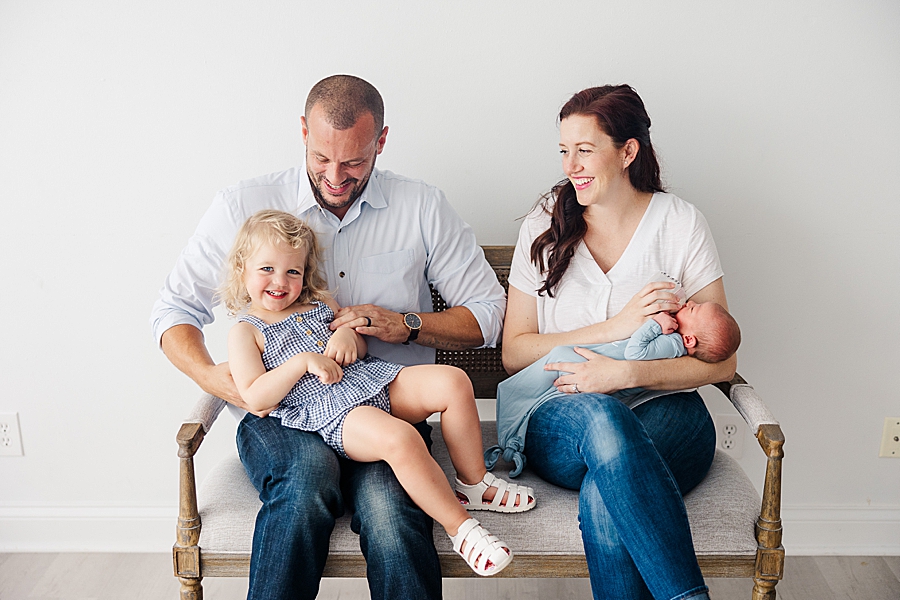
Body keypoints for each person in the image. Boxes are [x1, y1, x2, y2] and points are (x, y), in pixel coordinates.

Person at [150, 75, 507, 599]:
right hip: (282, 413)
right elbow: (174, 309)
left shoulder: (422, 207)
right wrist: (222, 381)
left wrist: (404, 322)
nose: (335, 176)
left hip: (378, 400)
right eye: (321, 158)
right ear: (302, 132)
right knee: (304, 482)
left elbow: (487, 315)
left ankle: (464, 522)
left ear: (381, 142)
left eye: (354, 162)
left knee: (392, 514)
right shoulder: (242, 206)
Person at [501, 84, 737, 600]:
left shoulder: (679, 224)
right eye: (564, 151)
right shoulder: (544, 224)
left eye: (584, 149)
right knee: (604, 420)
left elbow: (722, 361)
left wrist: (625, 373)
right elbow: (515, 350)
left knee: (606, 492)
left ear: (628, 151)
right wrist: (614, 330)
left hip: (667, 412)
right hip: (560, 410)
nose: (571, 165)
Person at [223, 209, 533, 576]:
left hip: (371, 381)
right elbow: (257, 399)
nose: (280, 281)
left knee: (452, 380)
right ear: (242, 269)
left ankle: (474, 482)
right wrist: (302, 362)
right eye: (266, 269)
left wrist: (346, 334)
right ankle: (461, 528)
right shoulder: (246, 331)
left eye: (293, 271)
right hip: (332, 412)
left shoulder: (321, 304)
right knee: (399, 438)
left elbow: (360, 348)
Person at [488, 297, 741, 476]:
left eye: (693, 310)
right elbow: (513, 356)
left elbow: (635, 352)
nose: (688, 304)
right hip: (591, 404)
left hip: (617, 393)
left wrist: (653, 324)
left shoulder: (672, 343)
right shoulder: (674, 340)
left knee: (615, 457)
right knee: (621, 465)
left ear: (689, 339)